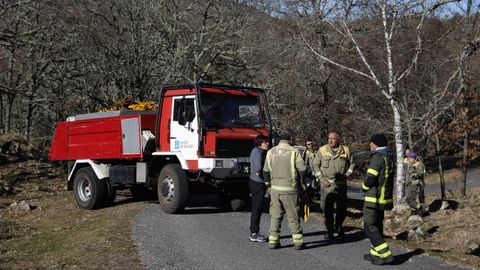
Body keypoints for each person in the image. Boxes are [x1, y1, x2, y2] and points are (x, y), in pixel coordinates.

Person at [263, 130, 306, 250]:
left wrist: (269, 186)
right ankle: (298, 242)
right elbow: (302, 169)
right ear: (290, 138)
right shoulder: (294, 151)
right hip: (290, 189)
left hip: (275, 190)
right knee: (293, 216)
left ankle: (273, 241)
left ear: (280, 139)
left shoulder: (271, 151)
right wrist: (301, 182)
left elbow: (265, 171)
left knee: (275, 216)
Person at [313, 130, 355, 240]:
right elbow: (315, 165)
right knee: (327, 209)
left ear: (338, 139)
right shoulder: (322, 150)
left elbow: (352, 164)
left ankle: (339, 226)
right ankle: (329, 230)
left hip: (341, 185)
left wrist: (347, 175)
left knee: (342, 208)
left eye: (333, 138)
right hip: (327, 185)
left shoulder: (346, 150)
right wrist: (321, 179)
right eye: (329, 138)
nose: (330, 140)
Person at [362, 133, 394, 265]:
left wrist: (363, 187)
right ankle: (375, 254)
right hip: (383, 199)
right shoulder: (389, 158)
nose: (370, 144)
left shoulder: (378, 157)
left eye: (371, 142)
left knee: (369, 225)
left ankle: (385, 253)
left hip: (373, 198)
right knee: (377, 224)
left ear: (377, 144)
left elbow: (370, 178)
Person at [248, 135, 269, 242]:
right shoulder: (259, 153)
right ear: (259, 143)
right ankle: (254, 233)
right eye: (265, 142)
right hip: (258, 183)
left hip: (253, 181)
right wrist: (267, 181)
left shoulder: (255, 150)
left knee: (256, 207)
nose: (267, 144)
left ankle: (254, 231)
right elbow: (258, 169)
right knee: (257, 208)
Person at [404, 152, 426, 216]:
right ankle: (414, 210)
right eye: (408, 158)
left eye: (410, 158)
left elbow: (421, 173)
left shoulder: (418, 164)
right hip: (410, 185)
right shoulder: (409, 165)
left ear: (414, 159)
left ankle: (420, 208)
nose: (408, 159)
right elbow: (407, 174)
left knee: (410, 199)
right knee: (409, 199)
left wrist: (414, 175)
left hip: (416, 185)